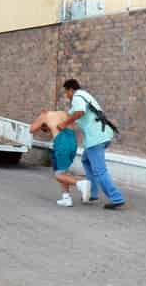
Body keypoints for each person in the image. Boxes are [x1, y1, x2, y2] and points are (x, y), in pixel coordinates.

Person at [58, 79, 126, 210]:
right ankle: (92, 193)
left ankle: (116, 198)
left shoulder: (77, 96)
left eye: (66, 92)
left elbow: (79, 112)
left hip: (96, 138)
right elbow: (72, 114)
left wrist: (64, 124)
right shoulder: (84, 95)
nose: (66, 95)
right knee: (86, 160)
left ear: (71, 90)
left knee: (100, 170)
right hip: (101, 135)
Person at [30, 110, 91, 207]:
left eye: (46, 129)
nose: (49, 130)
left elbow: (32, 129)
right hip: (73, 142)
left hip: (61, 142)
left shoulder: (45, 115)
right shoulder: (63, 113)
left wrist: (40, 119)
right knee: (63, 172)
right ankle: (66, 198)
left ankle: (81, 184)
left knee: (58, 175)